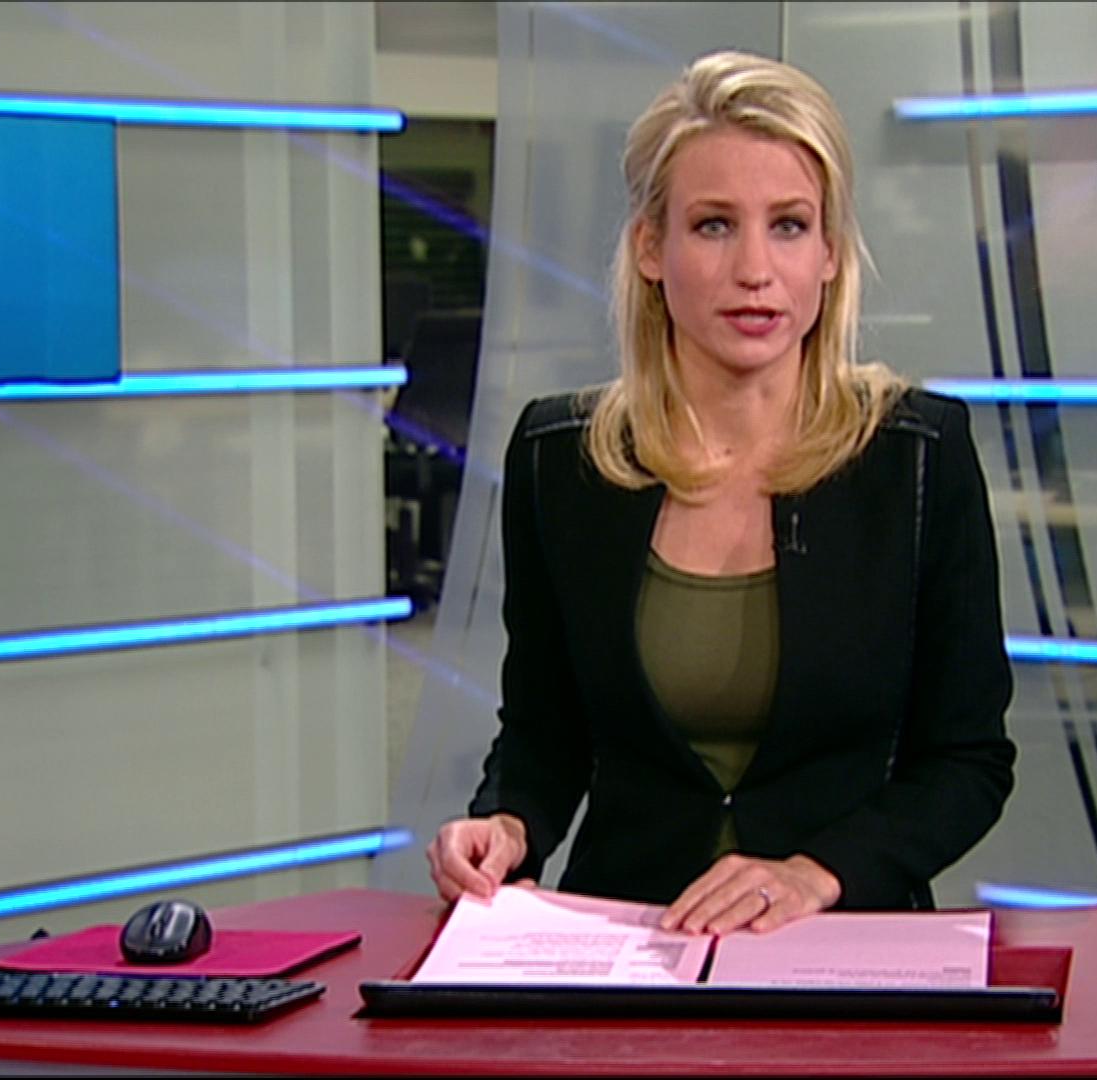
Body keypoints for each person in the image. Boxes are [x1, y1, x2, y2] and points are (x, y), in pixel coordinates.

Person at [426, 49, 1015, 936]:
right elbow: (545, 737)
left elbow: (967, 761)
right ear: (650, 248)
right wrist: (507, 824)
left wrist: (816, 874)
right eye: (712, 226)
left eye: (789, 226)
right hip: (628, 939)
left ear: (829, 254)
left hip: (840, 940)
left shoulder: (917, 457)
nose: (755, 269)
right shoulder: (563, 461)